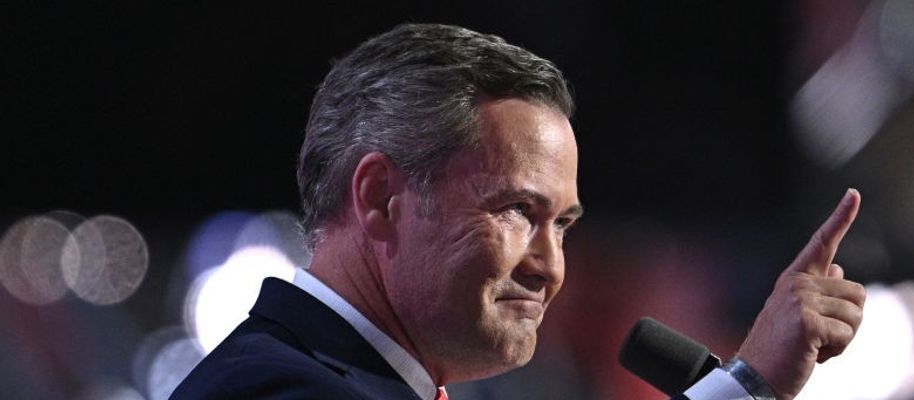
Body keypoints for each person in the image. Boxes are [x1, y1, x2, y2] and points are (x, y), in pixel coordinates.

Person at [171, 23, 865, 400]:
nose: (549, 268)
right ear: (382, 199)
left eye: (561, 224)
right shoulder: (282, 390)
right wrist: (749, 386)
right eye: (516, 213)